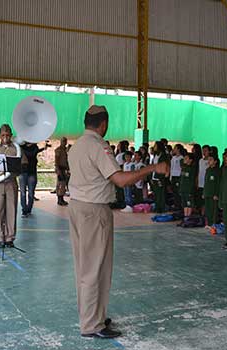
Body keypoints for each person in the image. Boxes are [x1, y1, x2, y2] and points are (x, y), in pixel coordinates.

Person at [68, 105, 168, 339]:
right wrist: (152, 168)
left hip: (78, 207)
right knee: (96, 268)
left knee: (84, 266)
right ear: (103, 124)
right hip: (94, 210)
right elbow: (120, 180)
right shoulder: (98, 146)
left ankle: (92, 315)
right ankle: (92, 324)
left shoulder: (77, 145)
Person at [20, 141, 49, 217]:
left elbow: (32, 154)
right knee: (23, 193)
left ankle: (28, 210)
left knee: (30, 193)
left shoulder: (33, 147)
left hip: (31, 172)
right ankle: (24, 210)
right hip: (23, 172)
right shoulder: (22, 147)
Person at [151, 141, 169, 213]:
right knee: (156, 193)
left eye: (155, 145)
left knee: (161, 193)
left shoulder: (163, 155)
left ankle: (161, 208)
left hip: (160, 177)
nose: (154, 147)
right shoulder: (155, 155)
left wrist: (161, 177)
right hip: (154, 176)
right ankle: (157, 207)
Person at [203, 153, 220, 228]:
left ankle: (213, 224)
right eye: (208, 160)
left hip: (213, 194)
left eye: (210, 160)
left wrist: (216, 194)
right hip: (207, 193)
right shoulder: (207, 170)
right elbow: (206, 182)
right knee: (207, 209)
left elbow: (218, 183)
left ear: (215, 161)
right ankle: (208, 223)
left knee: (214, 210)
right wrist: (204, 192)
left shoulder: (217, 171)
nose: (208, 161)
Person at [179, 151, 196, 218]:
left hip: (188, 190)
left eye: (186, 158)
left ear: (191, 160)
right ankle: (185, 216)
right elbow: (181, 179)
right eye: (184, 158)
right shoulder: (183, 167)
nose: (184, 160)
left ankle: (189, 217)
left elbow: (192, 181)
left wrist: (191, 190)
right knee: (184, 204)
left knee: (189, 204)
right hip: (182, 189)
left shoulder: (192, 169)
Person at [54, 137, 70, 206]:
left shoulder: (65, 150)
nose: (65, 143)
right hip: (60, 168)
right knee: (61, 184)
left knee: (63, 184)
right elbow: (57, 160)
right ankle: (60, 199)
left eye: (65, 141)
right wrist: (58, 169)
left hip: (64, 168)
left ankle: (61, 198)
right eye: (63, 141)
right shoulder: (59, 150)